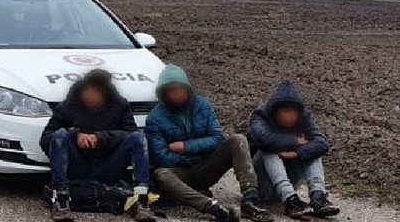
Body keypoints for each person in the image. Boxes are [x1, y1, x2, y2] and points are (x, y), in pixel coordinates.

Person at [146, 65, 273, 222]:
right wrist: (192, 156)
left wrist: (185, 147)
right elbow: (161, 157)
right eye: (172, 90)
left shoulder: (202, 105)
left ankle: (250, 198)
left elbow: (217, 138)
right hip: (181, 172)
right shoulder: (154, 118)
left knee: (238, 140)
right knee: (160, 174)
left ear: (187, 88)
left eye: (180, 88)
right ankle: (211, 207)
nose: (177, 93)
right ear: (163, 93)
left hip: (206, 166)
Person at [40, 69, 156, 222]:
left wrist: (101, 138)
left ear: (104, 92)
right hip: (77, 166)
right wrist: (75, 134)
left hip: (109, 166)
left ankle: (141, 200)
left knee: (138, 138)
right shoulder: (68, 106)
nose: (90, 94)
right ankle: (60, 199)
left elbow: (130, 132)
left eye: (95, 90)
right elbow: (46, 139)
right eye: (87, 89)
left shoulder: (120, 105)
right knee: (60, 135)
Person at [249, 80, 340, 219]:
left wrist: (296, 153)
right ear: (275, 110)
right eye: (285, 111)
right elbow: (265, 140)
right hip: (262, 183)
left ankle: (318, 197)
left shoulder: (304, 118)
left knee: (312, 151)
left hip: (292, 177)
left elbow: (322, 144)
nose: (290, 116)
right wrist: (296, 141)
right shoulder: (260, 116)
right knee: (269, 150)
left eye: (293, 111)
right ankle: (290, 200)